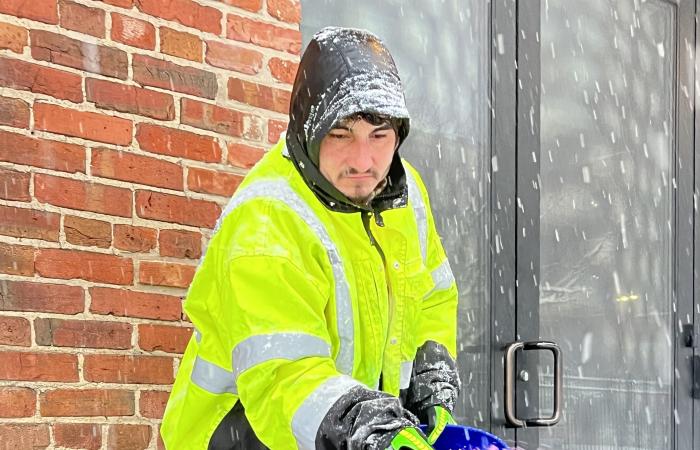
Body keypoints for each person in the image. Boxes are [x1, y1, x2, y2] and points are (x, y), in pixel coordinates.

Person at [160, 26, 460, 450]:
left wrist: (433, 362)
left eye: (380, 136)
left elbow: (433, 293)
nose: (363, 161)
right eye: (341, 135)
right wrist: (360, 424)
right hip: (240, 435)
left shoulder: (404, 194)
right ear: (308, 131)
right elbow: (283, 374)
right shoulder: (267, 219)